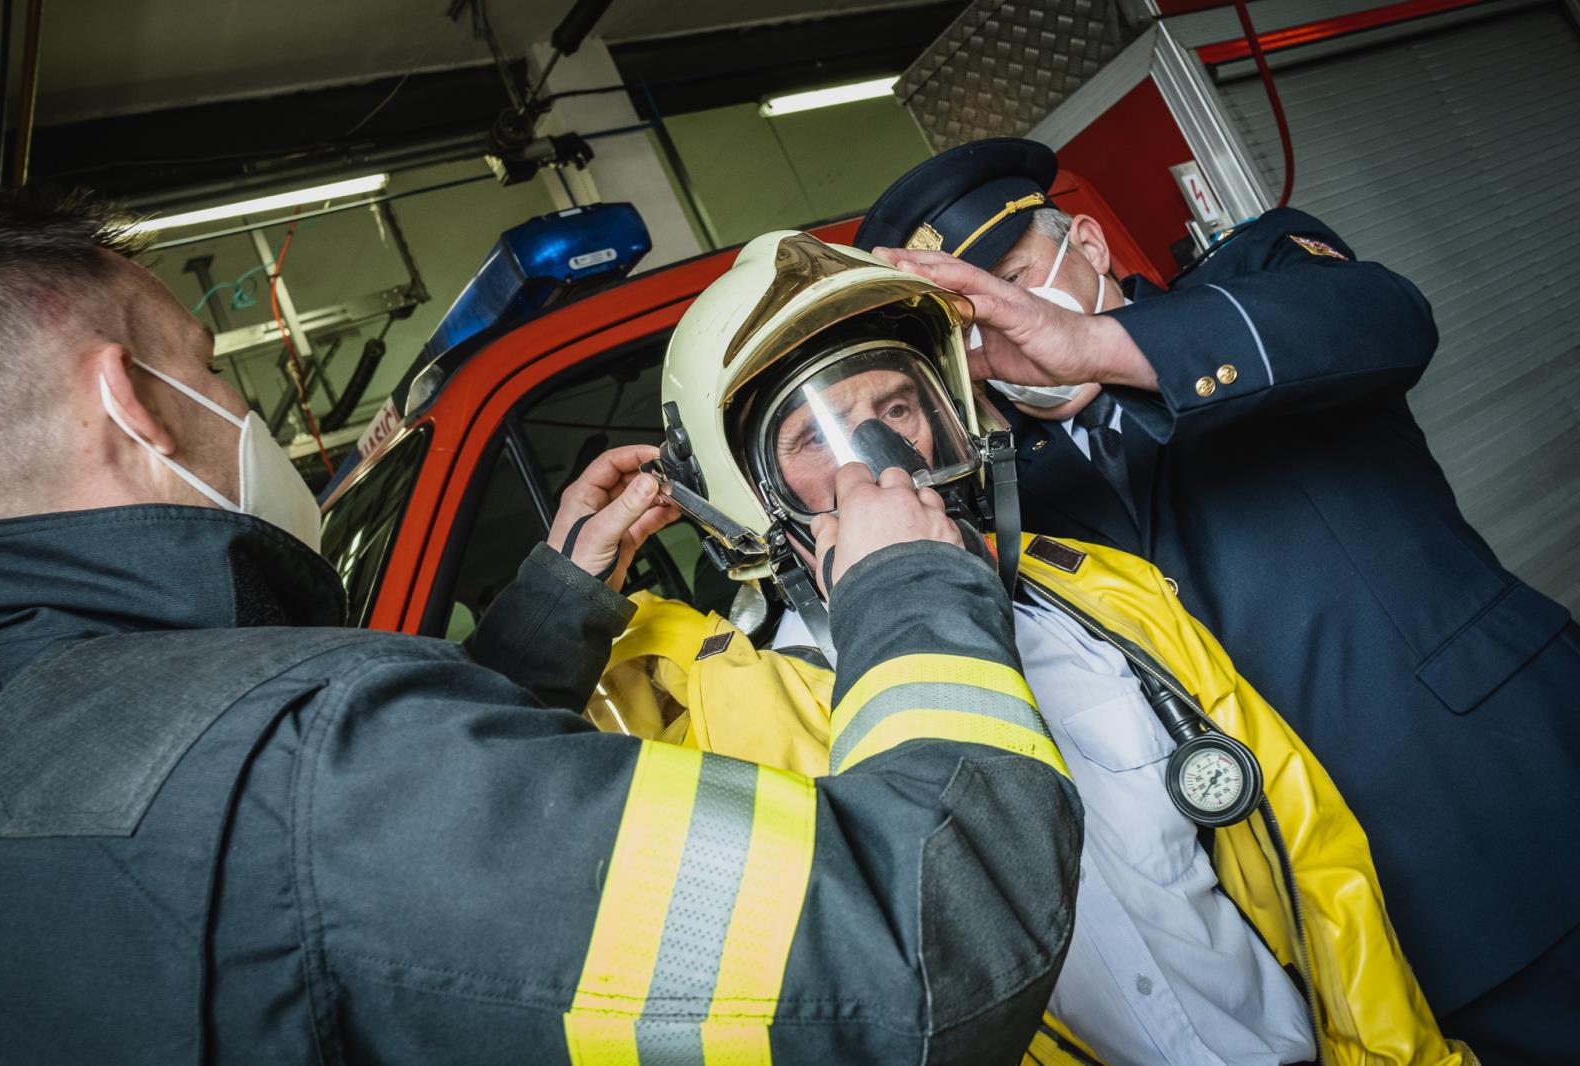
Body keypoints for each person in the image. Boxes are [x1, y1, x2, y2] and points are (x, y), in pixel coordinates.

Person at [0, 189, 1085, 1065]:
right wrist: (907, 588)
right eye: (212, 370)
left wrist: (556, 608)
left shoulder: (36, 733)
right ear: (131, 400)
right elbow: (923, 954)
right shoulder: (308, 763)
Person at [618, 228, 1470, 1065]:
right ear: (746, 501)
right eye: (817, 438)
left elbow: (1312, 859)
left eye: (898, 408)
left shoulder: (1104, 597)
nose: (884, 461)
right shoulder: (725, 732)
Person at [855, 138, 1580, 1060]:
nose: (998, 333)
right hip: (1344, 947)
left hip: (1518, 805)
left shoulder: (1254, 282)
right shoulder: (1009, 503)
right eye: (961, 328)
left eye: (1008, 279)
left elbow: (1388, 319)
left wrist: (1097, 347)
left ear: (1088, 241)